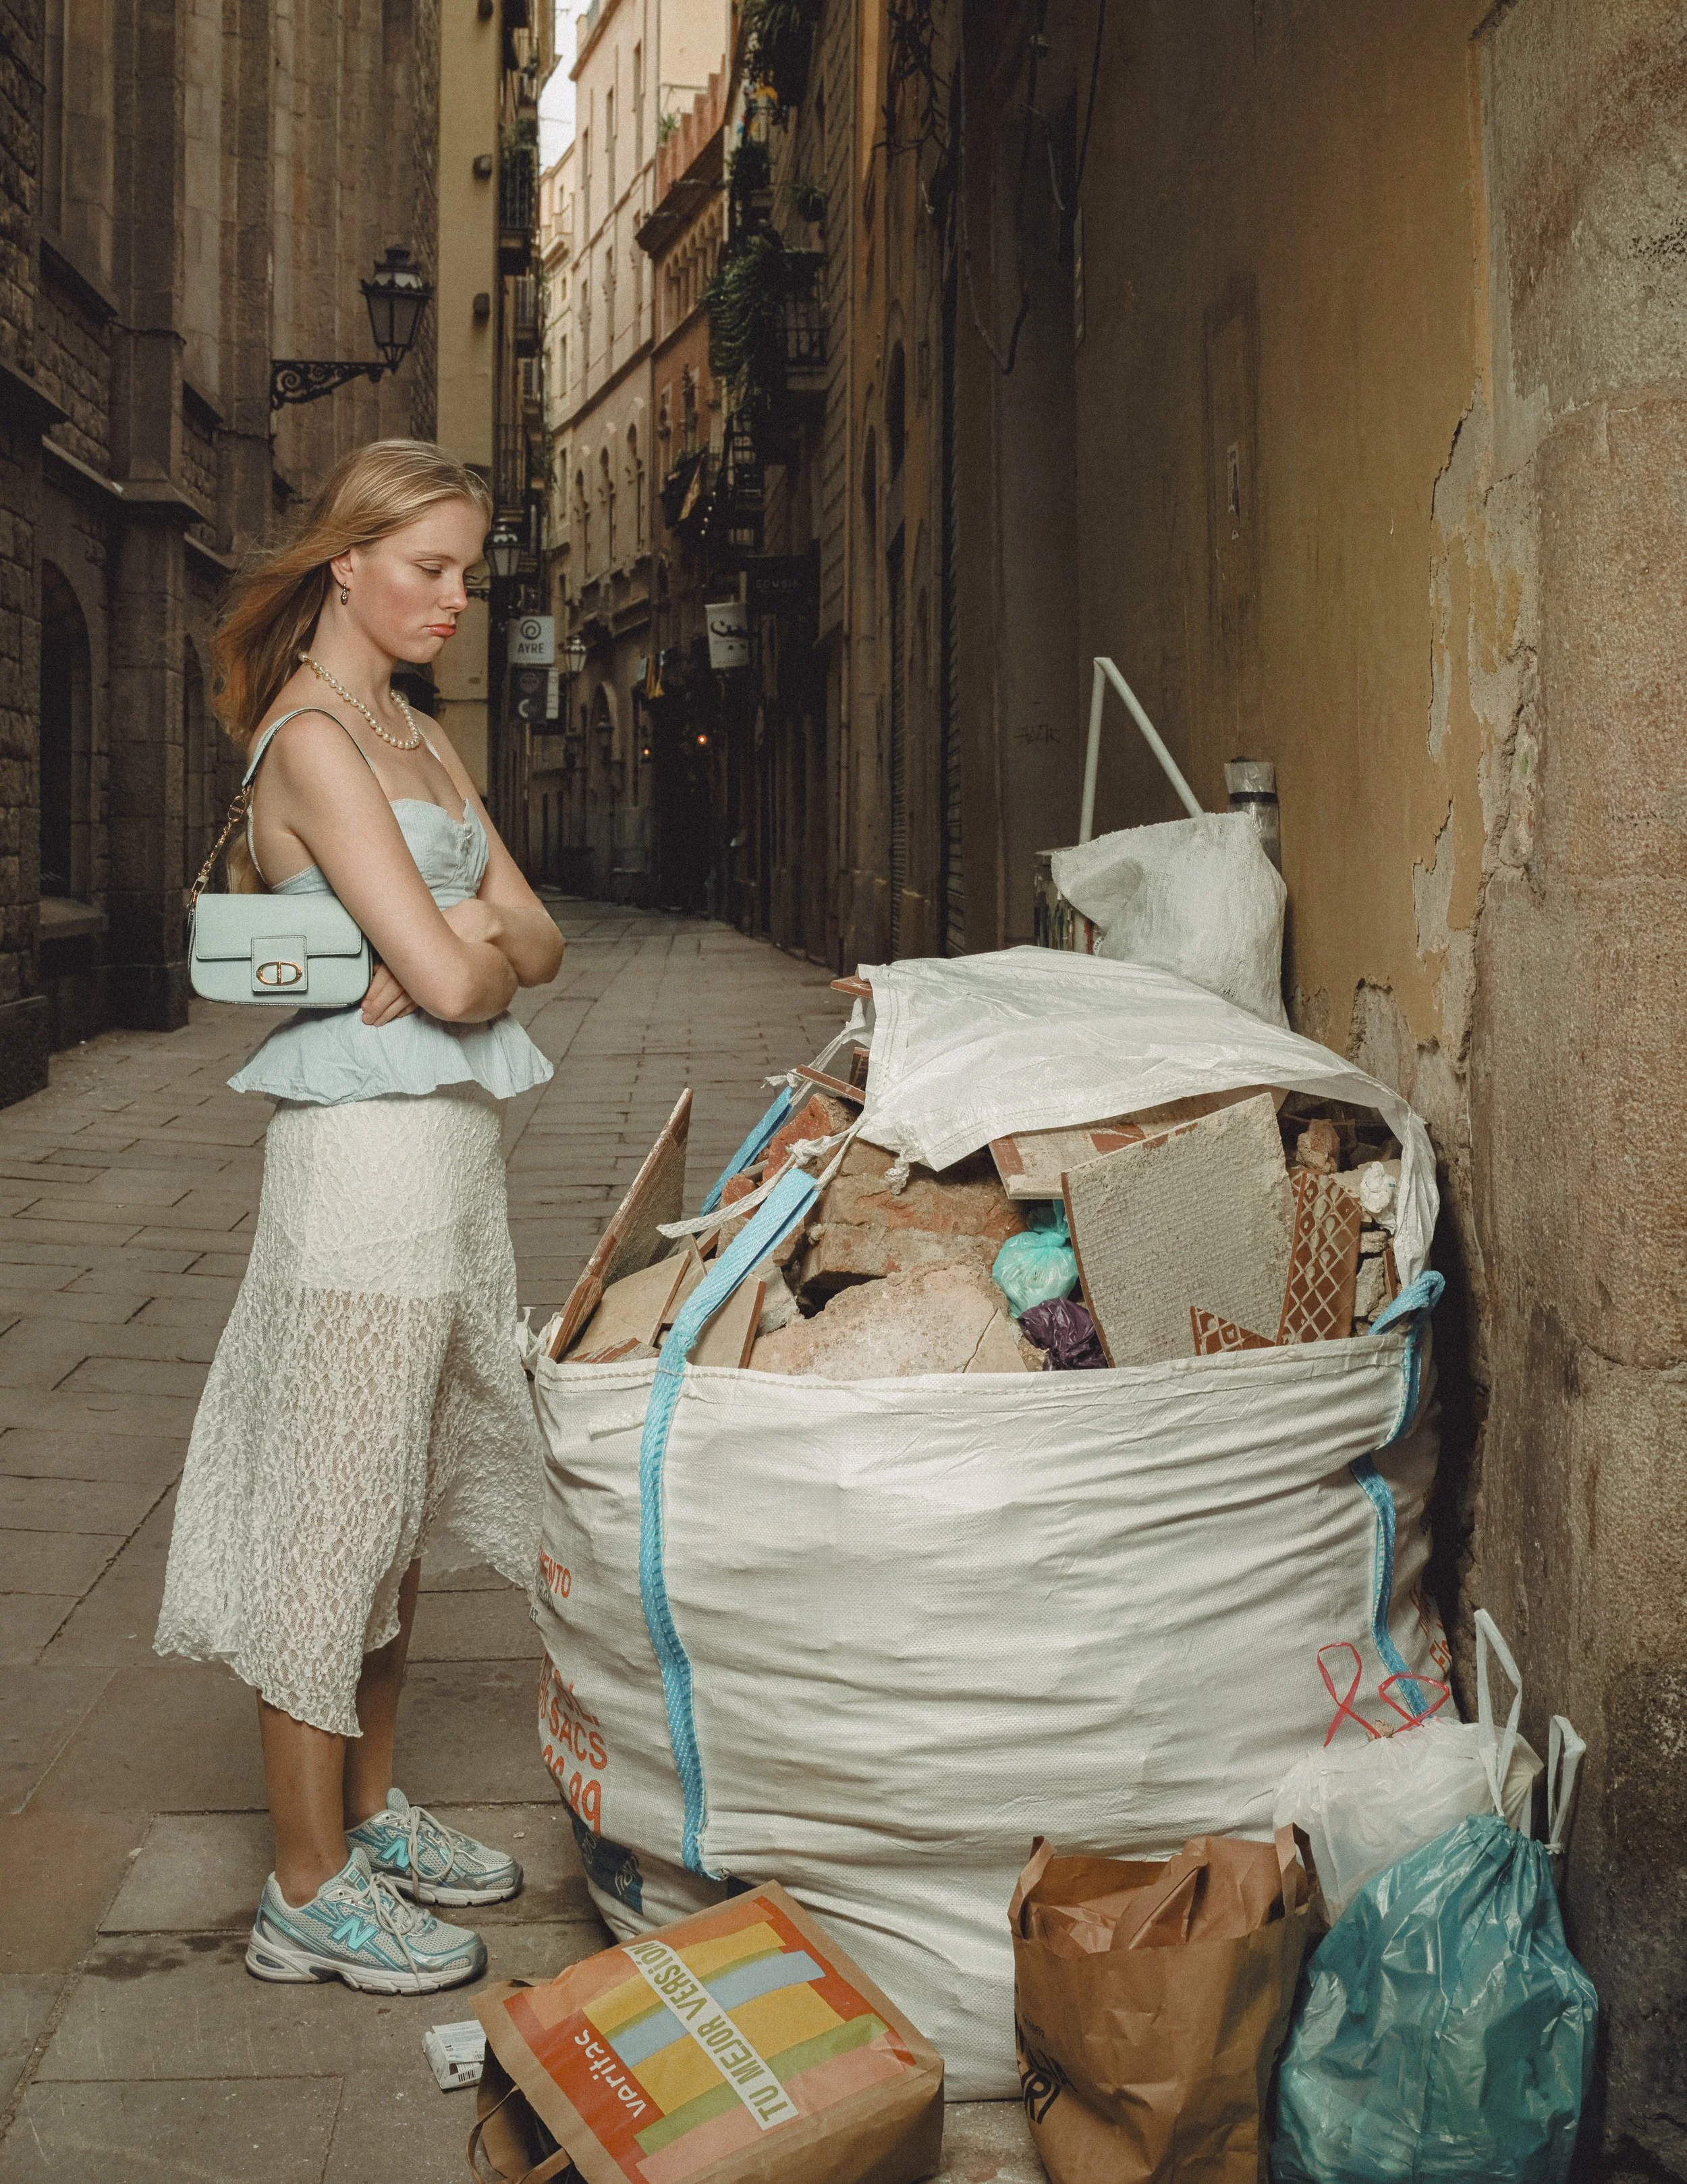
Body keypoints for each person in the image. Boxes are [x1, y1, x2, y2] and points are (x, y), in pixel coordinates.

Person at [155, 440, 564, 1995]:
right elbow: (474, 972)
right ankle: (305, 1885)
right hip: (360, 1176)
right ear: (345, 562)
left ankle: (373, 1811)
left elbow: (540, 940)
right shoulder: (316, 740)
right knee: (329, 1512)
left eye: (468, 572)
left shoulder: (417, 733)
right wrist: (462, 938)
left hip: (445, 1168)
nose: (457, 599)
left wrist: (462, 929)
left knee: (390, 1516)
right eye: (428, 568)